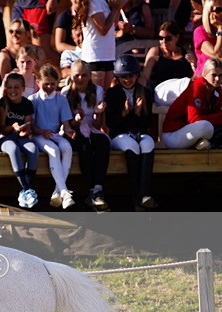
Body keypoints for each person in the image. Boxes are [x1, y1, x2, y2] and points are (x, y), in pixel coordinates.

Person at [105, 54, 157, 210]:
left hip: (139, 132)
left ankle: (144, 193)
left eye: (131, 76)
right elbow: (111, 123)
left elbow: (147, 123)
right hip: (119, 134)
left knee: (148, 144)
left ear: (136, 75)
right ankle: (136, 197)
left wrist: (138, 112)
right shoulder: (113, 94)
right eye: (124, 77)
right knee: (132, 146)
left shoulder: (145, 92)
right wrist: (125, 112)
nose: (128, 80)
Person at [62, 60, 111, 210]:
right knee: (84, 147)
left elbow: (97, 125)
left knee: (103, 143)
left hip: (91, 127)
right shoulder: (66, 93)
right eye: (77, 76)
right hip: (73, 128)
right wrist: (77, 120)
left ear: (90, 75)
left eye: (84, 75)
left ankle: (98, 188)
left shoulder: (97, 90)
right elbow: (67, 123)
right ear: (71, 76)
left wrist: (98, 112)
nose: (80, 79)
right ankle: (91, 191)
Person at [30, 64, 77, 209]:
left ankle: (58, 192)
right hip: (39, 136)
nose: (49, 87)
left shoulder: (61, 99)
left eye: (52, 84)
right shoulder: (34, 99)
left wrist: (69, 130)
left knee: (67, 148)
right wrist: (42, 131)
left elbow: (65, 123)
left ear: (57, 83)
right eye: (46, 84)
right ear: (38, 82)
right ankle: (64, 191)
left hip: (55, 134)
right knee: (53, 150)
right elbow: (32, 125)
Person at [0, 72, 39, 208]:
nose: (13, 91)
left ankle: (27, 187)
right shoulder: (3, 103)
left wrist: (25, 130)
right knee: (13, 149)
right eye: (10, 87)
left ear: (23, 88)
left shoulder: (27, 104)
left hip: (20, 137)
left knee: (33, 149)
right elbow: (2, 129)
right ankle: (26, 188)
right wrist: (12, 127)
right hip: (6, 137)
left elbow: (28, 125)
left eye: (16, 87)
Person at [161, 58, 222, 148]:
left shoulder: (218, 90)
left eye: (220, 75)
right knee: (206, 126)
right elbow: (194, 119)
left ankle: (204, 143)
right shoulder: (197, 87)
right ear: (205, 74)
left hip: (192, 132)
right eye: (214, 75)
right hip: (174, 134)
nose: (217, 79)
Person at [74, 0, 126, 90]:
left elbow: (113, 24)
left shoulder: (104, 2)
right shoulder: (95, 2)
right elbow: (103, 29)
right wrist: (115, 9)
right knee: (97, 96)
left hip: (108, 55)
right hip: (95, 56)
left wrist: (118, 7)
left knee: (105, 95)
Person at [141, 20, 195, 88]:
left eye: (168, 38)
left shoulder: (186, 52)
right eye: (161, 38)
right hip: (163, 89)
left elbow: (195, 74)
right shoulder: (155, 51)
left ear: (177, 37)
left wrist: (193, 64)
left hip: (182, 88)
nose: (164, 41)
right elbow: (145, 76)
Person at [12, 0, 60, 66]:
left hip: (38, 4)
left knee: (42, 49)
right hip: (19, 4)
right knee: (19, 46)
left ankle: (59, 73)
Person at [193, 0, 222, 77]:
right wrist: (220, 28)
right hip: (205, 79)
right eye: (219, 10)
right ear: (209, 13)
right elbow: (217, 54)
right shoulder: (200, 32)